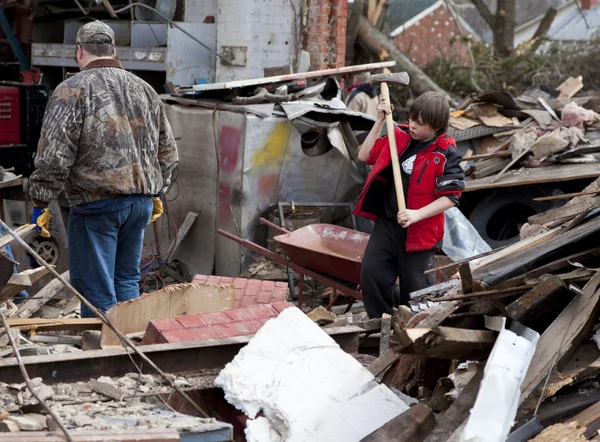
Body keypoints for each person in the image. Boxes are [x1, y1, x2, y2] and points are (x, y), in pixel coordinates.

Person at [29, 21, 179, 318]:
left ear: (79, 51)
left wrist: (40, 200)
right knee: (126, 281)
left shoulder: (71, 90)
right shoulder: (145, 89)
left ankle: (103, 357)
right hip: (140, 205)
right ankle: (131, 355)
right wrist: (157, 190)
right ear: (113, 50)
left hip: (97, 205)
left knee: (95, 289)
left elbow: (54, 156)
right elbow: (169, 151)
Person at [354, 92, 465, 319]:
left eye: (420, 123)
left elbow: (451, 197)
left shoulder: (445, 153)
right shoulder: (400, 139)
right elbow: (364, 155)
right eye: (412, 118)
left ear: (436, 127)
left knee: (416, 295)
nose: (412, 125)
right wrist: (379, 120)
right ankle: (381, 327)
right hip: (388, 225)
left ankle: (411, 338)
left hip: (420, 235)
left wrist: (416, 215)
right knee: (372, 274)